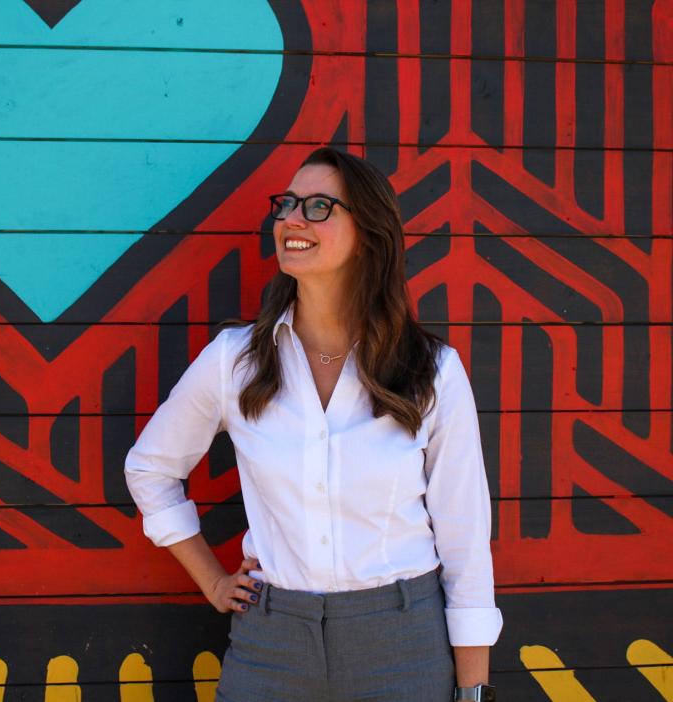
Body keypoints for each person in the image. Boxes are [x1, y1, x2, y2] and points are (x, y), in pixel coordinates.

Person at [124, 147, 502, 701]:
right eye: (288, 204)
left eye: (320, 206)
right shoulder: (237, 361)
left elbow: (465, 538)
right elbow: (150, 469)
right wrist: (212, 581)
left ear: (369, 233)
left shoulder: (431, 371)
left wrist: (473, 693)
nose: (292, 219)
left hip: (402, 642)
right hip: (272, 643)